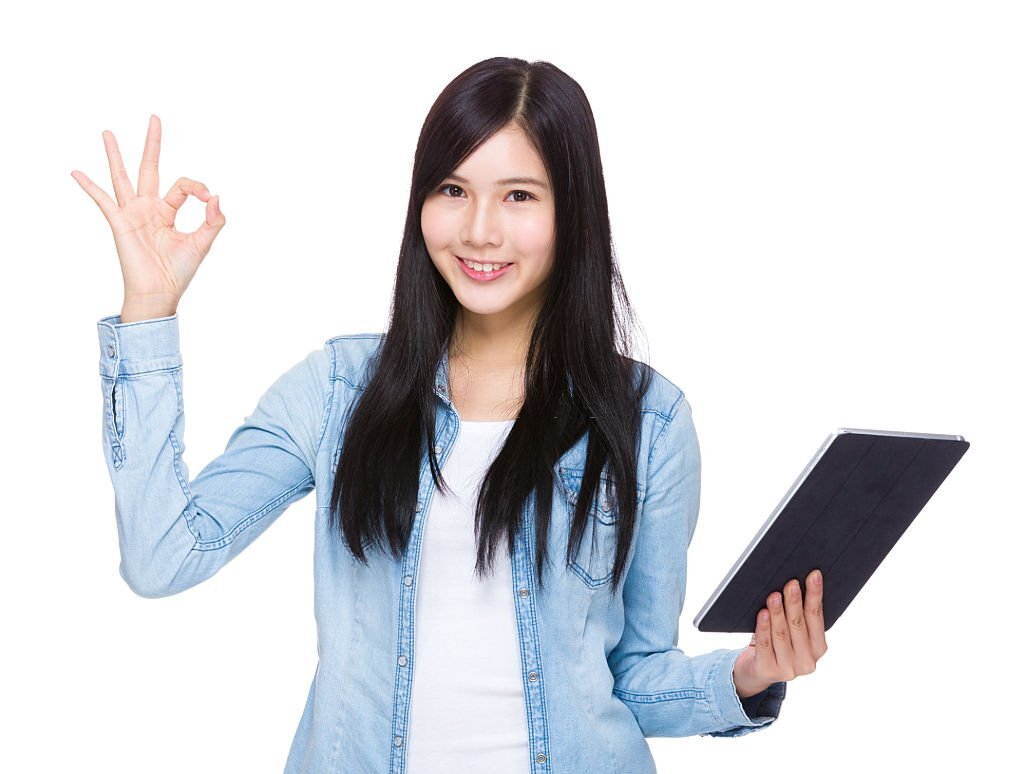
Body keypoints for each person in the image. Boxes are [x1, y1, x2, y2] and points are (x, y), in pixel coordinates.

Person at [73, 57, 827, 774]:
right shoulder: (337, 388)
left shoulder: (647, 421)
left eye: (519, 196)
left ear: (574, 212)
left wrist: (749, 673)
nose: (479, 231)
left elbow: (631, 677)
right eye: (453, 190)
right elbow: (163, 557)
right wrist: (148, 311)